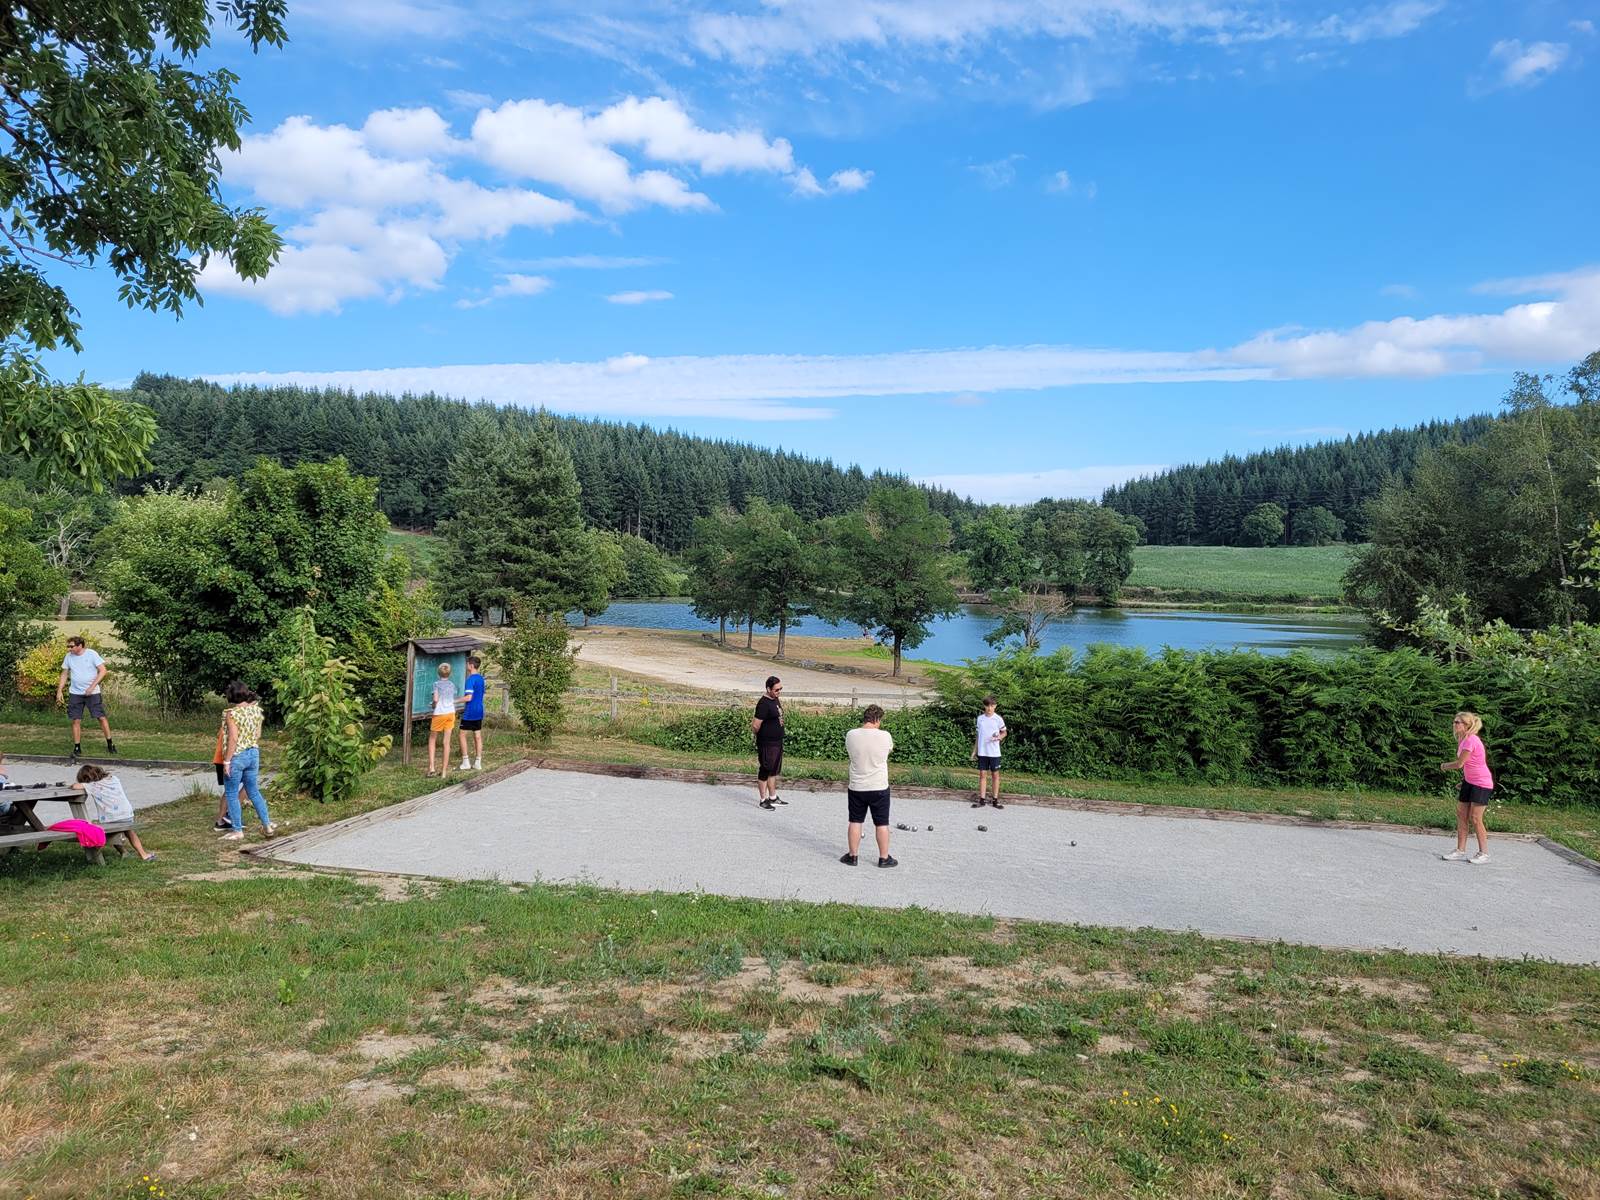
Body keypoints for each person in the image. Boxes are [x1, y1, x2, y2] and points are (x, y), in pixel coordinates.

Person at [841, 704, 897, 868]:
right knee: (881, 823)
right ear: (877, 719)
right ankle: (884, 858)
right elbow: (888, 752)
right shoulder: (885, 736)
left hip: (857, 785)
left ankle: (853, 856)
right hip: (879, 785)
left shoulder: (851, 735)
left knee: (855, 821)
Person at [219, 681, 273, 842]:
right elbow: (258, 734)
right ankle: (267, 825)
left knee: (231, 793)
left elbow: (233, 738)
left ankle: (237, 830)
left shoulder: (231, 713)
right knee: (253, 791)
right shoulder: (256, 711)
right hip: (253, 753)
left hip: (237, 756)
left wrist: (227, 761)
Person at [71, 764, 156, 861]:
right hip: (127, 815)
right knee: (130, 832)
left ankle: (121, 852)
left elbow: (75, 786)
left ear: (86, 779)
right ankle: (143, 854)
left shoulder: (92, 786)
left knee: (110, 833)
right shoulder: (114, 779)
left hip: (110, 819)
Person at [1441, 711, 1494, 864]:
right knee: (1461, 814)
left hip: (1481, 783)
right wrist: (1464, 781)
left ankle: (1484, 854)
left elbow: (1459, 764)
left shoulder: (1471, 740)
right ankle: (1460, 850)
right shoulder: (1462, 739)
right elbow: (1471, 764)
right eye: (1454, 721)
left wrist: (1444, 766)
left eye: (1458, 722)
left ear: (1467, 725)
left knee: (1476, 818)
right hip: (1469, 782)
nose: (1454, 724)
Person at [56, 636, 117, 761]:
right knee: (75, 719)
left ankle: (110, 743)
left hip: (92, 693)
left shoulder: (91, 654)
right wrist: (59, 690)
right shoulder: (69, 657)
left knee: (100, 717)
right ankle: (77, 747)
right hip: (75, 692)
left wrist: (92, 687)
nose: (69, 649)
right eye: (68, 646)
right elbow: (64, 673)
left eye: (71, 646)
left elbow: (103, 671)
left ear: (80, 646)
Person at [751, 676, 785, 810]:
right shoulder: (763, 704)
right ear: (768, 689)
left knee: (773, 770)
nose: (779, 692)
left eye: (780, 689)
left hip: (777, 741)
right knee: (765, 769)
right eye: (776, 689)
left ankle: (773, 797)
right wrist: (760, 738)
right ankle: (763, 800)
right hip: (767, 743)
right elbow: (755, 725)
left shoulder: (775, 699)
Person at [971, 695, 1008, 810]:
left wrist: (998, 738)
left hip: (994, 753)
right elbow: (978, 736)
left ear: (995, 706)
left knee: (995, 775)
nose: (989, 708)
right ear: (984, 706)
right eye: (987, 705)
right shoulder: (980, 719)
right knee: (982, 775)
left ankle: (995, 801)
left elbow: (1004, 732)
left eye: (992, 706)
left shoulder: (998, 719)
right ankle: (982, 800)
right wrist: (974, 751)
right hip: (982, 752)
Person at [456, 656, 487, 772]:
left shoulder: (470, 679)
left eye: (467, 664)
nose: (466, 666)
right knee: (477, 736)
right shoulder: (481, 679)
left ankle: (466, 762)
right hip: (479, 710)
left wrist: (455, 700)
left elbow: (468, 697)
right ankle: (478, 762)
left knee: (462, 735)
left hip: (470, 712)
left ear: (471, 666)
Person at [428, 661, 457, 779]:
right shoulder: (452, 685)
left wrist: (433, 705)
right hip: (450, 713)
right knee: (446, 742)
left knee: (432, 739)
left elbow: (435, 699)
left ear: (438, 673)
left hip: (439, 714)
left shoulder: (436, 684)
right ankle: (444, 772)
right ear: (449, 673)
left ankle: (432, 767)